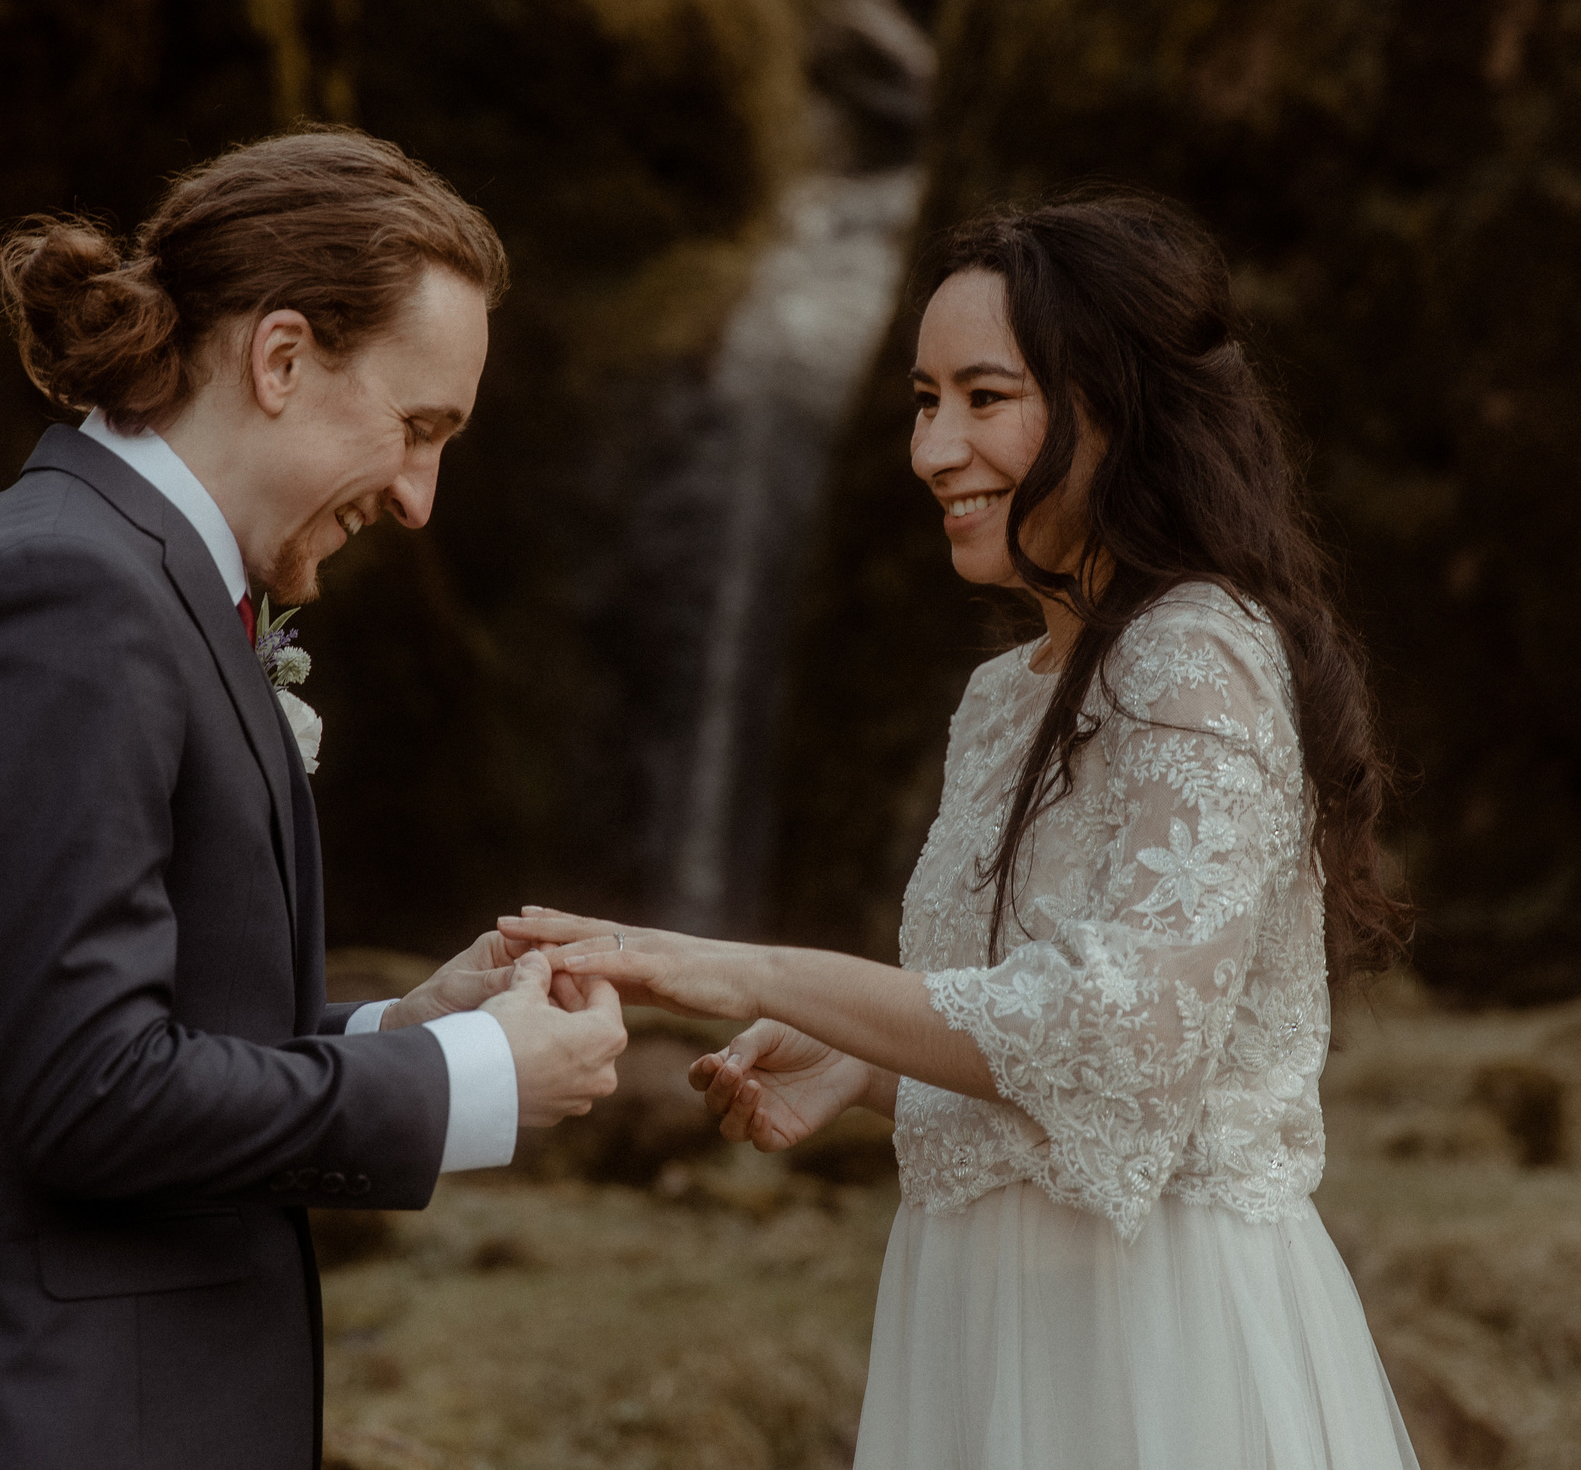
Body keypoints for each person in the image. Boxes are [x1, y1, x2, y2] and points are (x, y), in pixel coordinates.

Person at [500, 192, 1422, 1468]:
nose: (935, 450)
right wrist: (869, 1063)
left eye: (985, 399)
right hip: (981, 1314)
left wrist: (746, 971)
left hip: (1156, 1339)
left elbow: (1128, 1044)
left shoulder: (1199, 652)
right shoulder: (1003, 698)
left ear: (1119, 407)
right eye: (924, 401)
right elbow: (1027, 1022)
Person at [0, 127, 628, 1470]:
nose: (420, 498)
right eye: (416, 430)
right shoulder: (67, 596)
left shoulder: (141, 580)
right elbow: (87, 1091)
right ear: (282, 357)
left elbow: (146, 1024)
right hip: (35, 1417)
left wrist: (398, 1023)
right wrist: (468, 1077)